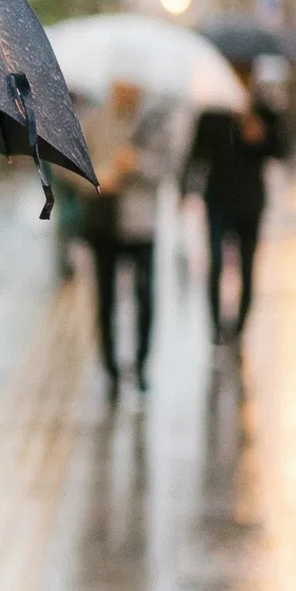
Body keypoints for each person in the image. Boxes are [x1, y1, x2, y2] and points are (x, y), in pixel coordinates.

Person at [79, 79, 174, 397]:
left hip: (141, 224)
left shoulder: (155, 121)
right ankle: (110, 368)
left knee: (145, 296)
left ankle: (142, 364)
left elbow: (167, 169)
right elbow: (71, 166)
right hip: (104, 222)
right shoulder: (92, 120)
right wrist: (97, 178)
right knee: (105, 298)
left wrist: (137, 164)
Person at [183, 64, 286, 343]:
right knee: (216, 262)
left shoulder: (264, 112)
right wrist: (186, 190)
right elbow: (197, 153)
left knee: (247, 265)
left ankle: (240, 326)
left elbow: (281, 150)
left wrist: (259, 134)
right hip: (218, 198)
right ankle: (216, 326)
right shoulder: (214, 111)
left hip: (250, 202)